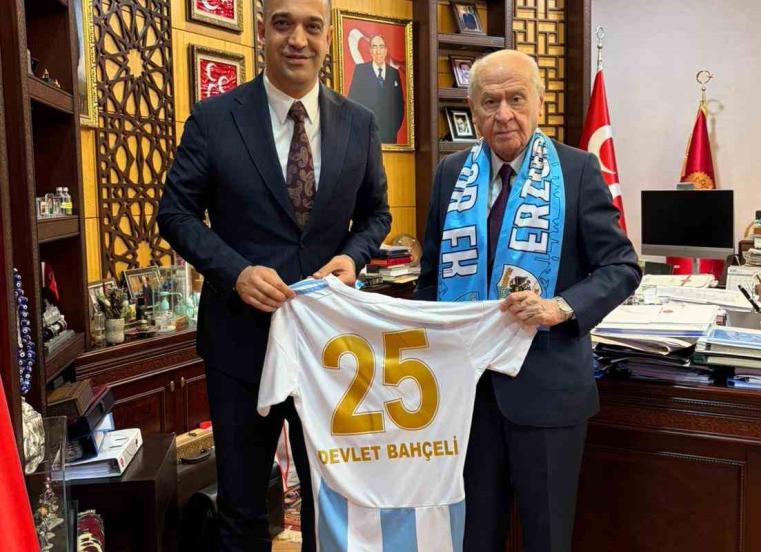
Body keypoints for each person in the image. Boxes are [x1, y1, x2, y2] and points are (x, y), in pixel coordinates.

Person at [157, 0, 392, 549]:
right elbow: (175, 213)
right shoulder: (214, 118)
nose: (298, 39)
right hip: (241, 346)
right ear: (262, 30)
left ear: (329, 36)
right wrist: (235, 272)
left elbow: (377, 214)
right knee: (241, 509)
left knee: (330, 504)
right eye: (283, 23)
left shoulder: (359, 123)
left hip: (330, 350)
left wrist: (354, 257)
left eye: (312, 26)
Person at [415, 49, 640, 551]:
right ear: (472, 110)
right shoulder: (451, 173)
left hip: (547, 390)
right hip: (467, 394)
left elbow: (622, 267)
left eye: (516, 99)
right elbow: (430, 279)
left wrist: (561, 308)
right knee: (474, 537)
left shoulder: (577, 170)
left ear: (539, 102)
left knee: (546, 538)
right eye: (489, 101)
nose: (504, 114)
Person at [347, 34, 404, 143]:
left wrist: (392, 129)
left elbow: (399, 105)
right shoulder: (361, 71)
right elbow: (352, 102)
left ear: (386, 50)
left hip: (389, 137)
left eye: (381, 47)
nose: (378, 51)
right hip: (366, 135)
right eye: (374, 47)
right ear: (370, 50)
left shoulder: (394, 73)